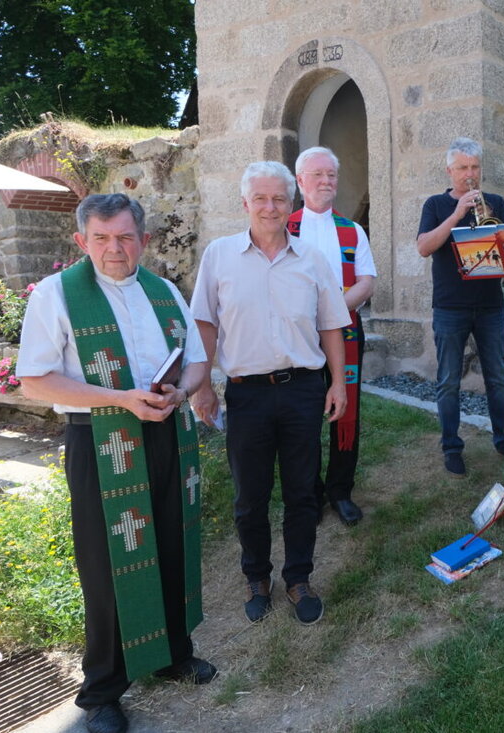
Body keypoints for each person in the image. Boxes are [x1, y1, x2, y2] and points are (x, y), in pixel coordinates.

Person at [18, 194, 215, 733]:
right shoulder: (57, 295)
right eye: (101, 238)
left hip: (167, 434)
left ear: (143, 240)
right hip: (100, 442)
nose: (114, 249)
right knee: (106, 567)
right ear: (81, 241)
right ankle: (103, 689)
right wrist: (121, 400)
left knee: (173, 542)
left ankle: (173, 653)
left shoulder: (165, 291)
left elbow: (197, 362)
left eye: (125, 237)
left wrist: (180, 392)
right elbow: (34, 379)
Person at [190, 161, 350, 626]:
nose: (270, 206)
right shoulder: (219, 256)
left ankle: (298, 578)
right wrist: (203, 386)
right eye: (260, 198)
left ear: (291, 204)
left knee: (303, 492)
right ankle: (256, 577)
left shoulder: (313, 260)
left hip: (302, 389)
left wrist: (337, 382)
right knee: (250, 496)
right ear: (245, 204)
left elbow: (330, 325)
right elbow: (204, 323)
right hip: (247, 395)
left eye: (279, 198)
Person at [416, 136, 504, 477]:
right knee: (448, 380)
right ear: (450, 171)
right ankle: (451, 446)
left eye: (475, 167)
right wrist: (458, 213)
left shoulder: (495, 202)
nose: (471, 174)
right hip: (450, 306)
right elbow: (424, 247)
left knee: (498, 378)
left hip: (490, 305)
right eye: (463, 168)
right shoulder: (436, 205)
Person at [289, 146, 377, 527]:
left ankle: (341, 490)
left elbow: (367, 282)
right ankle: (309, 492)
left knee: (347, 413)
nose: (326, 182)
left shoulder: (352, 230)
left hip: (345, 333)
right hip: (299, 338)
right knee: (303, 414)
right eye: (318, 175)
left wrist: (334, 311)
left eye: (332, 175)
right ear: (300, 181)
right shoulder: (285, 227)